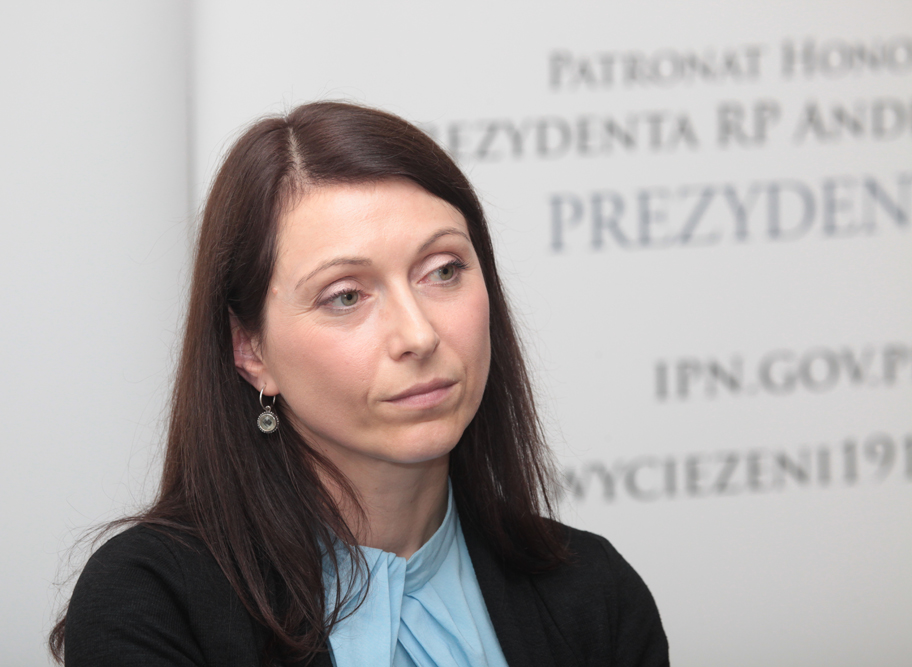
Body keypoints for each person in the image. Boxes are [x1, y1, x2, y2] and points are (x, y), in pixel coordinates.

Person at [50, 101, 668, 667]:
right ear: (250, 349)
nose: (418, 335)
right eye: (345, 296)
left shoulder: (597, 593)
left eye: (443, 271)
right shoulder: (152, 601)